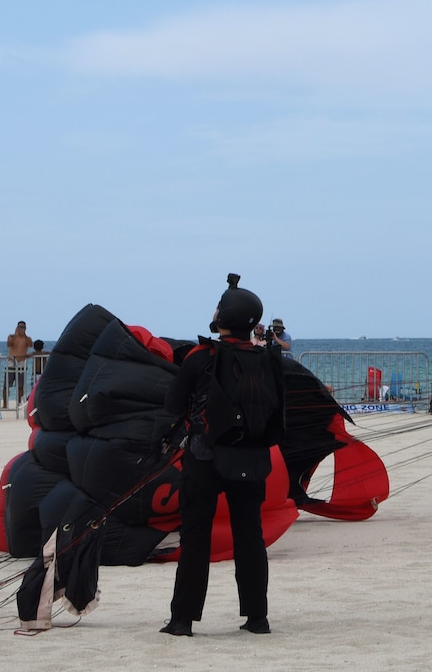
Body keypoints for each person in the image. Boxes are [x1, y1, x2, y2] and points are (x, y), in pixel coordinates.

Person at [161, 273, 284, 638]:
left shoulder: (200, 358)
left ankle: (183, 620)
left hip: (205, 458)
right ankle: (257, 618)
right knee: (250, 537)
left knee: (195, 538)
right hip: (252, 461)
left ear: (222, 317)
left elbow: (174, 406)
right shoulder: (267, 360)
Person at [5, 322, 31, 408]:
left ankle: (19, 402)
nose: (21, 329)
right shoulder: (11, 337)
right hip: (11, 362)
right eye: (19, 327)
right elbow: (9, 344)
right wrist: (16, 334)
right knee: (7, 385)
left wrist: (24, 335)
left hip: (21, 363)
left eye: (23, 327)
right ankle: (5, 404)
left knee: (20, 385)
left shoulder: (27, 338)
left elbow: (31, 345)